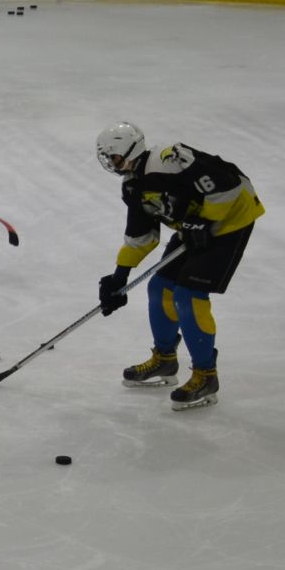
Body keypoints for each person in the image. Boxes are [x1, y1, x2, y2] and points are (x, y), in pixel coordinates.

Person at [94, 124, 263, 411]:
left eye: (114, 158)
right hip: (196, 229)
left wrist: (206, 221)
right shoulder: (133, 187)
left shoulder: (170, 160)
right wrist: (118, 277)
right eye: (107, 159)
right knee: (159, 287)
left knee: (188, 294)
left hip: (232, 220)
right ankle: (165, 359)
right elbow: (141, 238)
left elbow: (227, 185)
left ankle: (206, 375)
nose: (111, 165)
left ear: (130, 151)